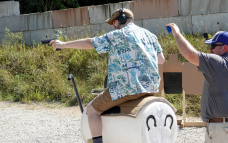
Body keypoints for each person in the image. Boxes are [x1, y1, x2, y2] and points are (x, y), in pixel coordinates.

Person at [50, 8, 165, 143]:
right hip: (151, 88)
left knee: (92, 110)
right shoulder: (150, 35)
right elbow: (161, 59)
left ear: (119, 21)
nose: (113, 26)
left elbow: (90, 43)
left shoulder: (117, 36)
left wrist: (63, 45)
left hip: (127, 88)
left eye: (113, 22)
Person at [166, 23, 228, 143]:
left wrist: (177, 34)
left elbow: (188, 53)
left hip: (224, 129)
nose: (210, 49)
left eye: (213, 46)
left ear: (225, 48)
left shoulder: (219, 63)